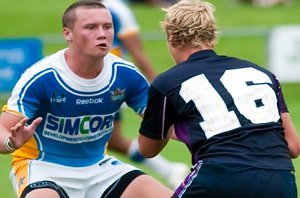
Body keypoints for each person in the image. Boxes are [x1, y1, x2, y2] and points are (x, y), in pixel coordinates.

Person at [0, 1, 173, 197]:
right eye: (91, 27)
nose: (102, 34)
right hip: (43, 168)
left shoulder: (125, 73)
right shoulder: (42, 77)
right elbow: (2, 129)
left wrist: (204, 136)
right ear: (68, 34)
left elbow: (164, 122)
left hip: (99, 167)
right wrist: (10, 143)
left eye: (107, 27)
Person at [138, 0, 300, 197]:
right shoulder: (263, 75)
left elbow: (147, 150)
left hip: (220, 176)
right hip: (281, 180)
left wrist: (168, 126)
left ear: (170, 35)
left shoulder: (167, 83)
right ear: (212, 36)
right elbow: (293, 146)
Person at [102, 0, 190, 189]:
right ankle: (170, 170)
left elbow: (137, 50)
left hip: (110, 83)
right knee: (113, 141)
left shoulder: (117, 9)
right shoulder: (81, 9)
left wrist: (159, 86)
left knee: (101, 141)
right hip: (92, 80)